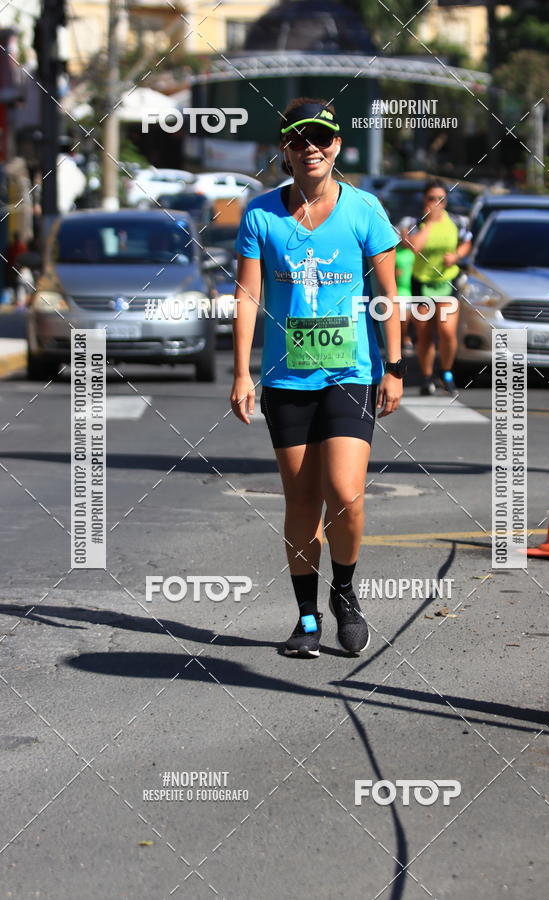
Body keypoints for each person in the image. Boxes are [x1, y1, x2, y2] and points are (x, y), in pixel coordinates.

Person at [230, 97, 403, 658]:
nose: (311, 148)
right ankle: (306, 616)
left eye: (321, 138)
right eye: (298, 139)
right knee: (301, 500)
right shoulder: (261, 216)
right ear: (284, 149)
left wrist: (395, 366)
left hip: (351, 373)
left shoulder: (365, 210)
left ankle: (345, 593)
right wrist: (241, 373)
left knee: (346, 496)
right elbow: (249, 296)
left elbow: (386, 295)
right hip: (286, 379)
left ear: (337, 147)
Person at [400, 178, 472, 396]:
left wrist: (457, 255)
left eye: (440, 199)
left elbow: (467, 242)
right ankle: (427, 376)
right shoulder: (413, 222)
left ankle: (446, 372)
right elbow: (414, 247)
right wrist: (429, 222)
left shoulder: (457, 222)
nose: (436, 203)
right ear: (424, 200)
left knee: (447, 331)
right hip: (422, 283)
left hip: (447, 282)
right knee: (424, 334)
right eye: (432, 198)